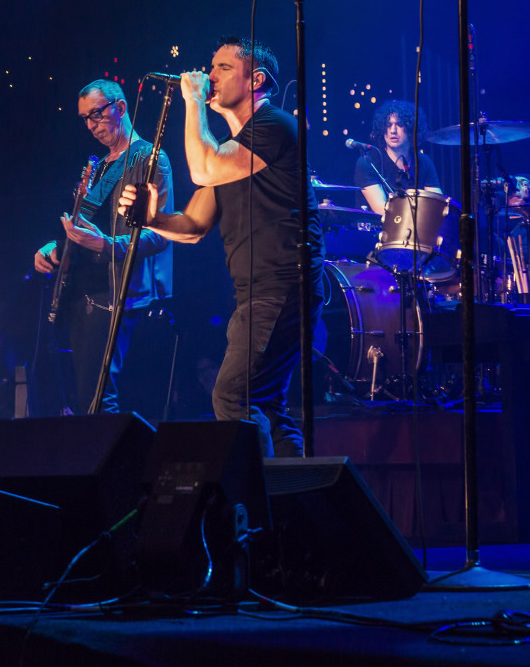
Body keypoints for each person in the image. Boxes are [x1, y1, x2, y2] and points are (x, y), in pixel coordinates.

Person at [119, 37, 322, 458]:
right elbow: (193, 226)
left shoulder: (275, 125)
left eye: (223, 68)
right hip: (255, 293)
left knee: (232, 397)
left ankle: (261, 510)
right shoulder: (235, 151)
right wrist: (152, 217)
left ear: (256, 80)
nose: (208, 76)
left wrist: (192, 102)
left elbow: (202, 166)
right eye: (209, 68)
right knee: (264, 403)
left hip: (282, 285)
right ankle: (299, 504)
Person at [33, 79, 173, 414]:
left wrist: (106, 244)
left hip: (115, 293)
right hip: (82, 291)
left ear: (121, 108)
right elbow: (83, 229)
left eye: (96, 115)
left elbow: (161, 235)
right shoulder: (100, 165)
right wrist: (54, 247)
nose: (91, 125)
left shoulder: (149, 159)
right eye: (84, 119)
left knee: (96, 400)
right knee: (79, 398)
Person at [353, 100, 442, 215]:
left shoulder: (424, 162)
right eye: (388, 125)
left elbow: (438, 205)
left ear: (411, 129)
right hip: (378, 230)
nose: (393, 131)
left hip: (415, 228)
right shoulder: (368, 161)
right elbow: (383, 210)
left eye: (399, 125)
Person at [496, 173, 530, 298]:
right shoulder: (500, 223)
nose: (515, 194)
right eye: (513, 193)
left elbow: (520, 260)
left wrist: (493, 237)